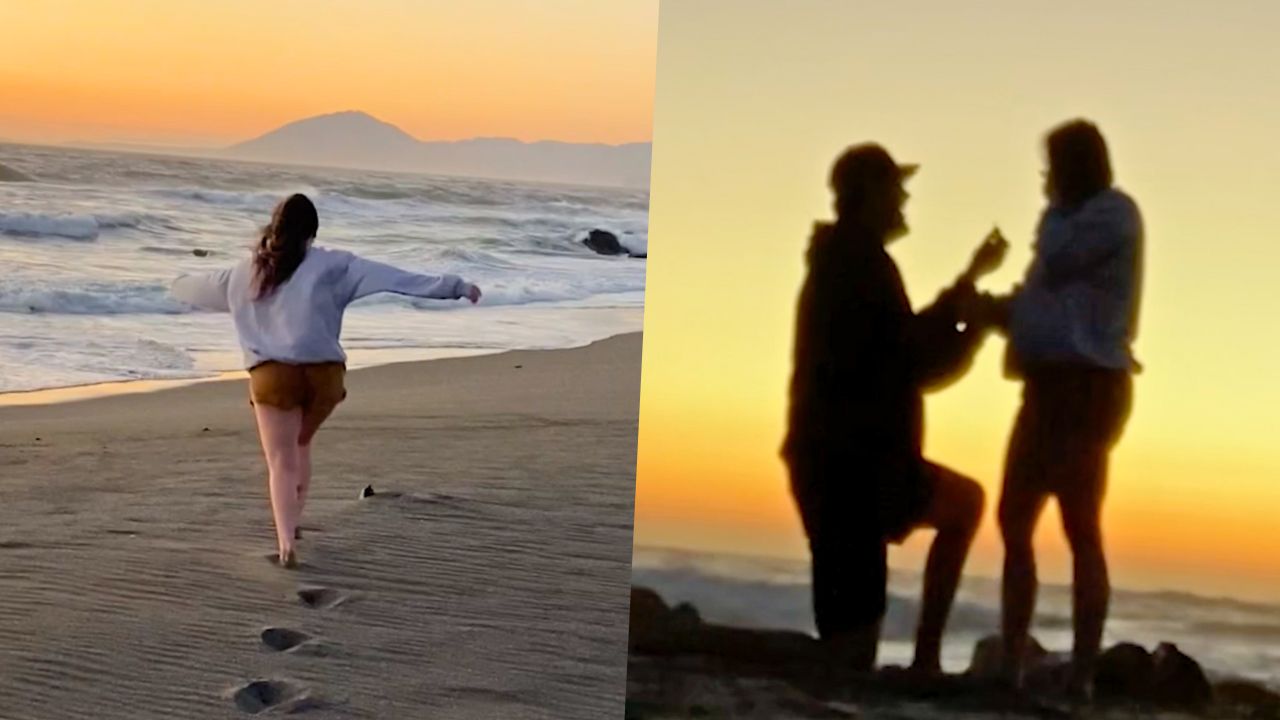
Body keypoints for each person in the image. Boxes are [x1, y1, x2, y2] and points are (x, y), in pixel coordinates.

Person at [781, 143, 1007, 673]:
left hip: (853, 467)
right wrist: (970, 327)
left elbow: (904, 346)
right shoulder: (859, 264)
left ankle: (926, 661)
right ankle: (690, 641)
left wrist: (967, 283)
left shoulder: (850, 258)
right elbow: (915, 363)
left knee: (849, 653)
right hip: (853, 473)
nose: (905, 198)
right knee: (845, 657)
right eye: (896, 188)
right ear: (870, 194)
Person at [170, 193, 482, 568]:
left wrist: (175, 283)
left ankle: (286, 540)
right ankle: (295, 520)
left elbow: (195, 287)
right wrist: (457, 286)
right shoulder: (336, 265)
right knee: (301, 444)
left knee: (281, 460)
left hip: (273, 377)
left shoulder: (244, 272)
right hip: (325, 378)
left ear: (275, 227)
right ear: (313, 231)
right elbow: (397, 278)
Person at [987, 119, 1143, 698]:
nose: (1045, 180)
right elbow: (1042, 300)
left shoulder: (1108, 216)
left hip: (1087, 386)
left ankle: (1081, 673)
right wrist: (1000, 311)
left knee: (1080, 526)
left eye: (1052, 167)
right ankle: (1011, 661)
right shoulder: (1064, 222)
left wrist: (1049, 215)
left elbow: (1056, 261)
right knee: (1014, 517)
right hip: (1046, 385)